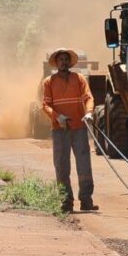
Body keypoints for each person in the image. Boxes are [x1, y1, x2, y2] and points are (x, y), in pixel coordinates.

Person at [42, 49, 98, 213]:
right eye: (61, 60)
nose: (64, 62)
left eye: (66, 59)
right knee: (61, 166)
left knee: (84, 166)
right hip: (59, 130)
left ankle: (86, 200)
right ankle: (66, 202)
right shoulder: (49, 82)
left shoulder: (79, 79)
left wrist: (88, 112)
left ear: (70, 62)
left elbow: (88, 97)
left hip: (79, 128)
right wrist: (57, 116)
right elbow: (45, 105)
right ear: (56, 63)